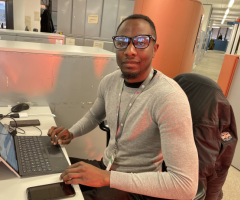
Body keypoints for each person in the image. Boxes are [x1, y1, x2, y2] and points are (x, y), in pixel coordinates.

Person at [48, 14, 198, 200]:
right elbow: (94, 116)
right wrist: (71, 133)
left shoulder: (169, 97)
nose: (130, 50)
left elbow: (185, 185)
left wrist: (107, 178)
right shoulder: (109, 82)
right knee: (51, 171)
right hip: (106, 167)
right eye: (122, 42)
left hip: (138, 186)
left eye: (141, 41)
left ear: (154, 49)